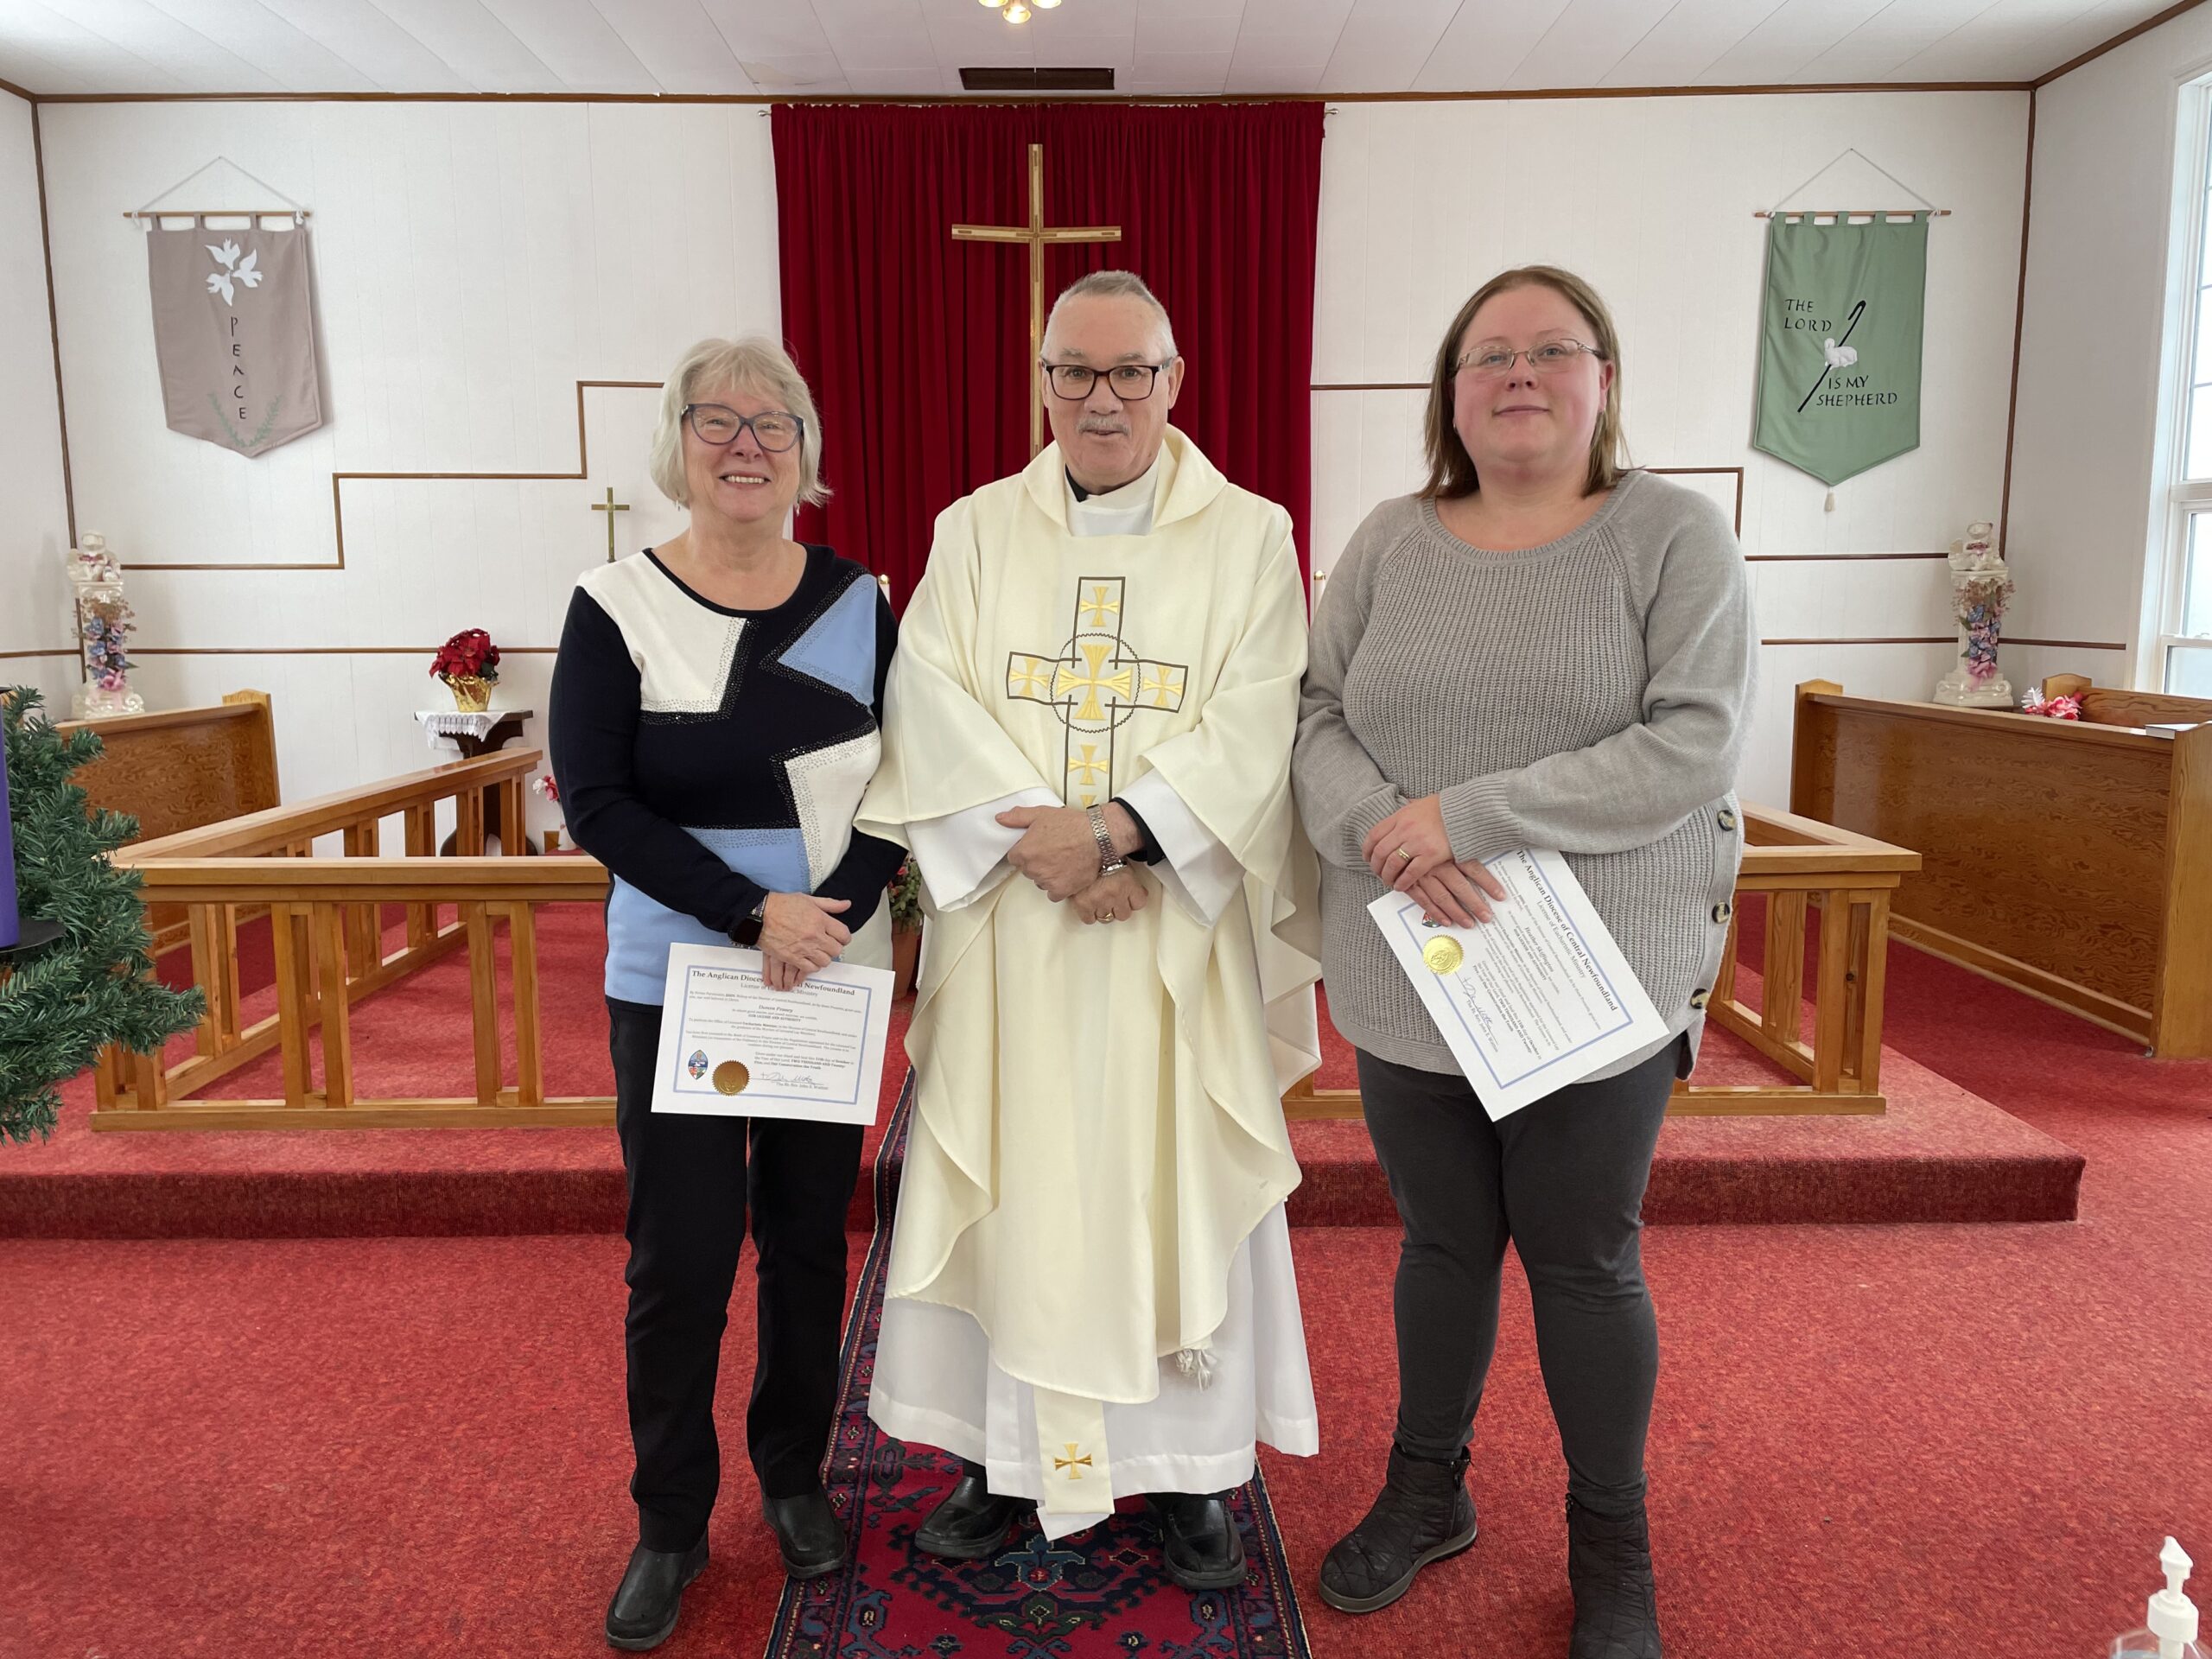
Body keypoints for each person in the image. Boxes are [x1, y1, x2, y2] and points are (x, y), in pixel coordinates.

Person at [1292, 267, 1755, 1656]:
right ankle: (1427, 1489)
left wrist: (1468, 815)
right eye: (1489, 354)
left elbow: (1691, 744)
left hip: (1589, 984)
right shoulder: (1390, 537)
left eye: (1554, 350)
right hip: (1413, 964)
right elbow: (1316, 713)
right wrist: (1388, 831)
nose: (1520, 374)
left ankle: (1611, 1533)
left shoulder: (1671, 535)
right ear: (1451, 392)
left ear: (1603, 377)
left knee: (1583, 1259)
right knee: (1440, 1245)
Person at [854, 270, 1321, 1589]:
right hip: (1016, 920)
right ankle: (1004, 1468)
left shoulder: (1250, 535)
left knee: (1170, 1177)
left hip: (1174, 927)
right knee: (1013, 1172)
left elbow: (1258, 716)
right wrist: (1051, 847)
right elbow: (929, 698)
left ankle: (1184, 1472)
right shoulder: (976, 529)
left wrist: (1122, 832)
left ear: (1177, 383)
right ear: (1041, 383)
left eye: (1131, 372)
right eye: (1076, 371)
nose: (1102, 397)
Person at [549, 336, 902, 1651]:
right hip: (681, 973)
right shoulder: (615, 604)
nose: (747, 442)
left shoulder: (864, 600)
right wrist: (753, 911)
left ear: (807, 450)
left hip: (825, 966)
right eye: (718, 420)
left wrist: (835, 914)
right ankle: (670, 1520)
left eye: (775, 421)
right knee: (680, 1258)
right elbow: (597, 803)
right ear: (677, 444)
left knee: (811, 1241)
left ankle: (796, 1475)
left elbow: (904, 788)